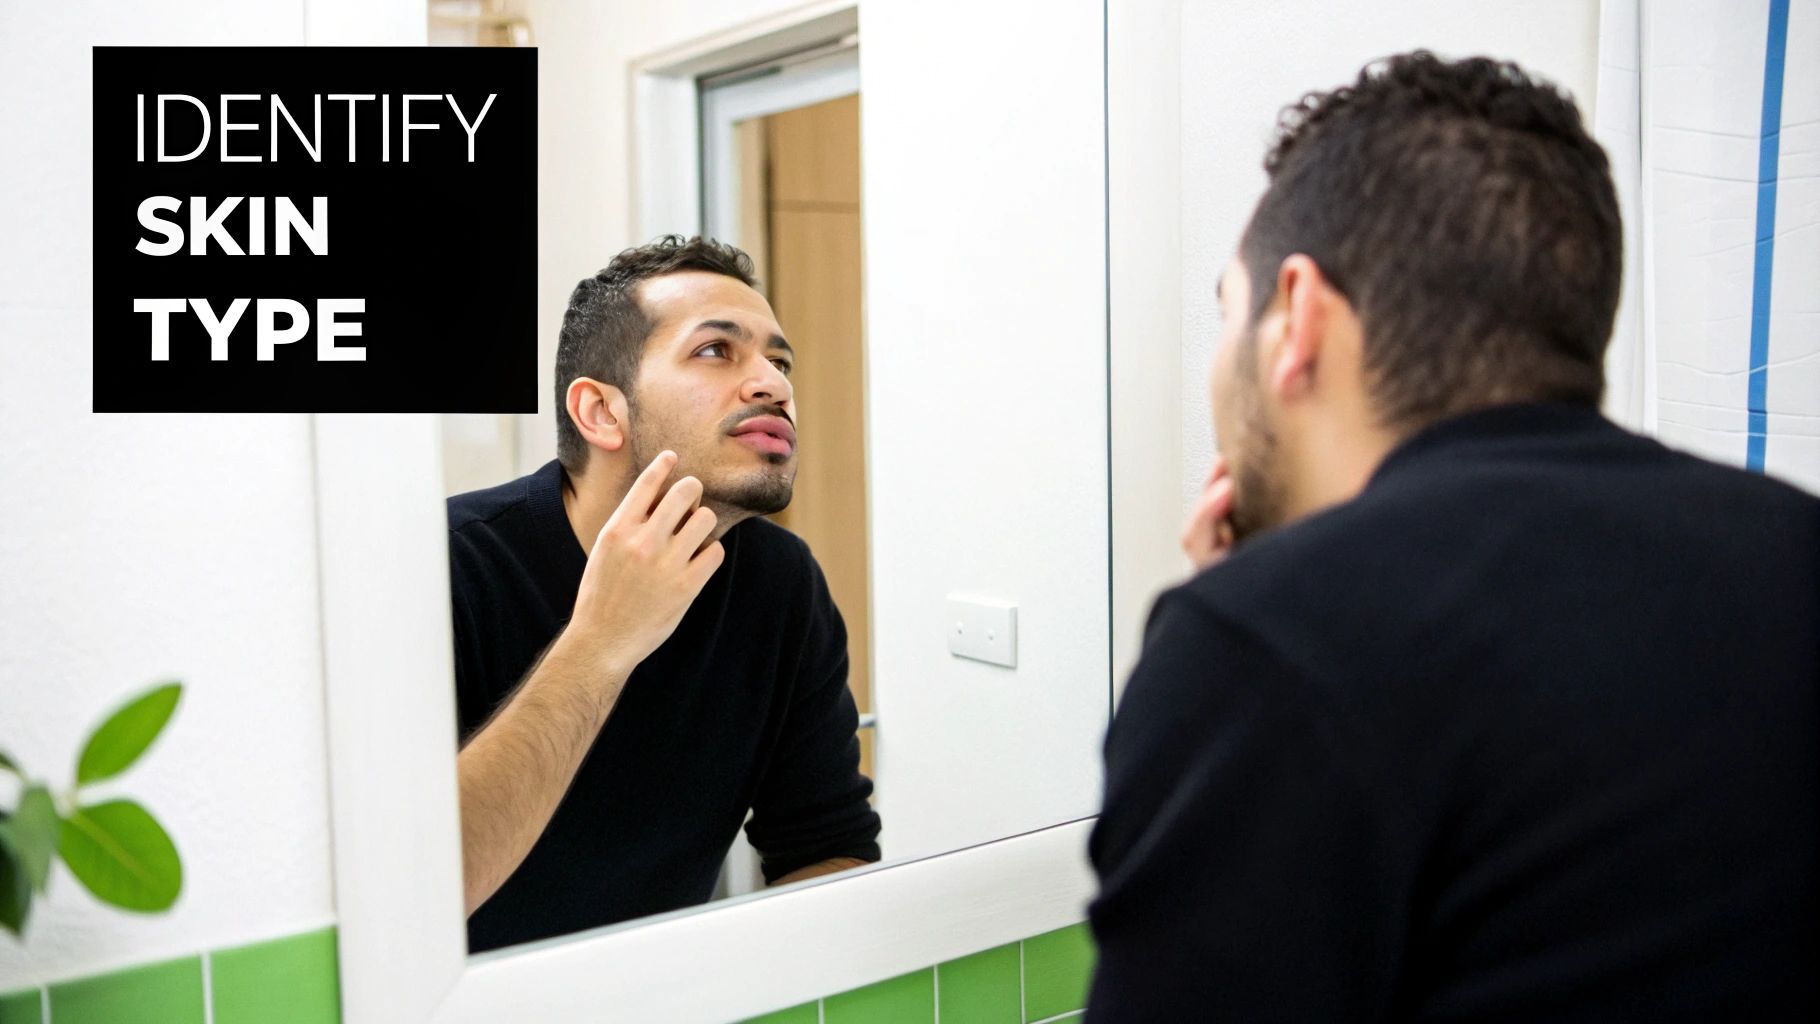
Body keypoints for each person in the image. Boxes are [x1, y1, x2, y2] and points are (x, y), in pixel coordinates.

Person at [1088, 51, 1819, 1020]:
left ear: (1296, 316)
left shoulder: (1263, 644)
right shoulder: (1790, 549)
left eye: (1229, 311)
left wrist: (1242, 627)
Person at [448, 236, 880, 953]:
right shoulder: (452, 565)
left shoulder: (782, 585)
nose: (772, 383)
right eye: (717, 351)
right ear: (600, 413)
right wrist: (601, 644)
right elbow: (423, 887)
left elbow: (825, 851)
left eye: (779, 362)